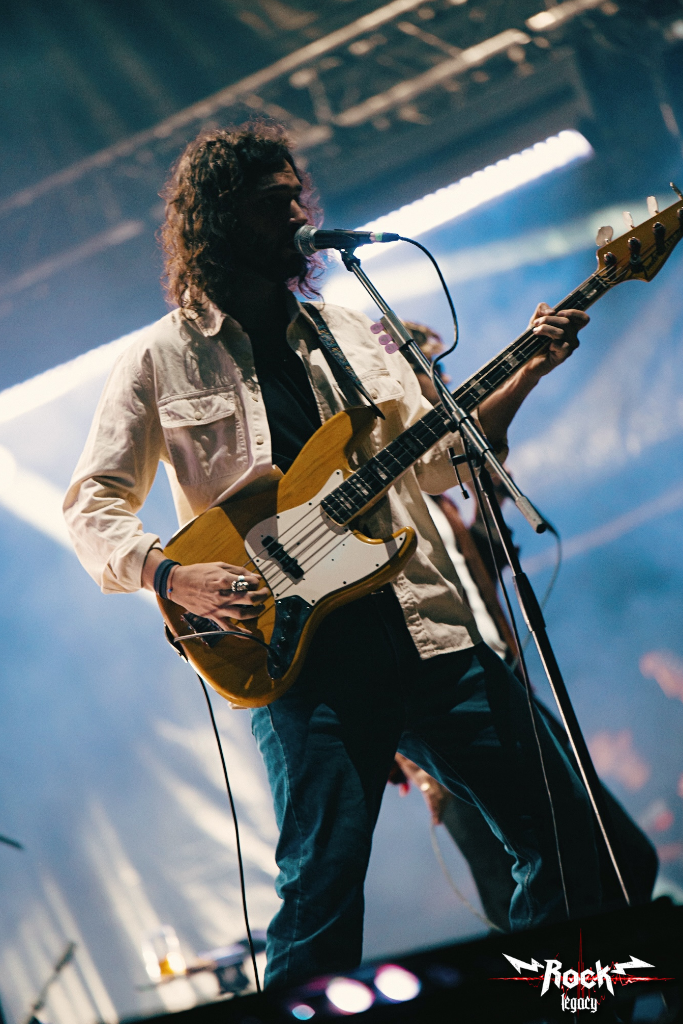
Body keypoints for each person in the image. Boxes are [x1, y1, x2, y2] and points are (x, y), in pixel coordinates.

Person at [65, 123, 602, 989]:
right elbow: (91, 503)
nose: (296, 215)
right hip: (301, 659)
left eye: (296, 197)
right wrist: (172, 575)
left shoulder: (350, 332)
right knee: (319, 901)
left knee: (571, 842)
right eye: (272, 204)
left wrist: (526, 372)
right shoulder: (159, 360)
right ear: (218, 220)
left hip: (428, 629)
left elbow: (439, 461)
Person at [389, 322, 658, 933]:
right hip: (446, 714)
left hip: (505, 685)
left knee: (623, 861)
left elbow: (480, 568)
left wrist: (493, 497)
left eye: (441, 372)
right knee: (525, 889)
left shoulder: (443, 502)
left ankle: (620, 978)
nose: (443, 384)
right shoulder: (389, 501)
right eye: (429, 374)